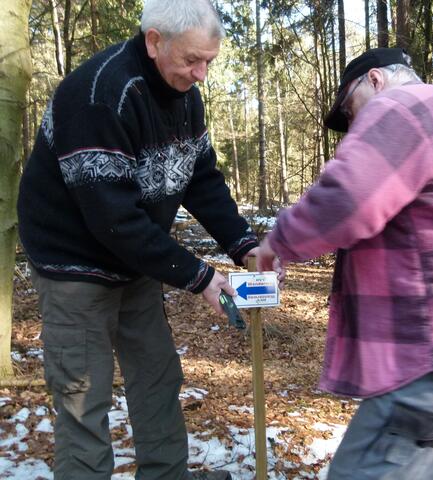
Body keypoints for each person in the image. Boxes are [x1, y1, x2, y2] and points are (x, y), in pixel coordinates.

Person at [17, 1, 281, 478]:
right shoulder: (101, 96)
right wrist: (199, 276)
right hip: (74, 265)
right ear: (154, 40)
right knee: (83, 397)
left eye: (209, 61)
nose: (202, 74)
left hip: (135, 260)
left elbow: (200, 178)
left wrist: (243, 244)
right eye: (192, 60)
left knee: (157, 376)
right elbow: (111, 218)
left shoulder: (185, 93)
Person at [257, 48, 433, 479]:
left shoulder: (405, 104)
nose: (353, 125)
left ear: (375, 80)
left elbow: (349, 200)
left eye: (350, 110)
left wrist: (276, 242)